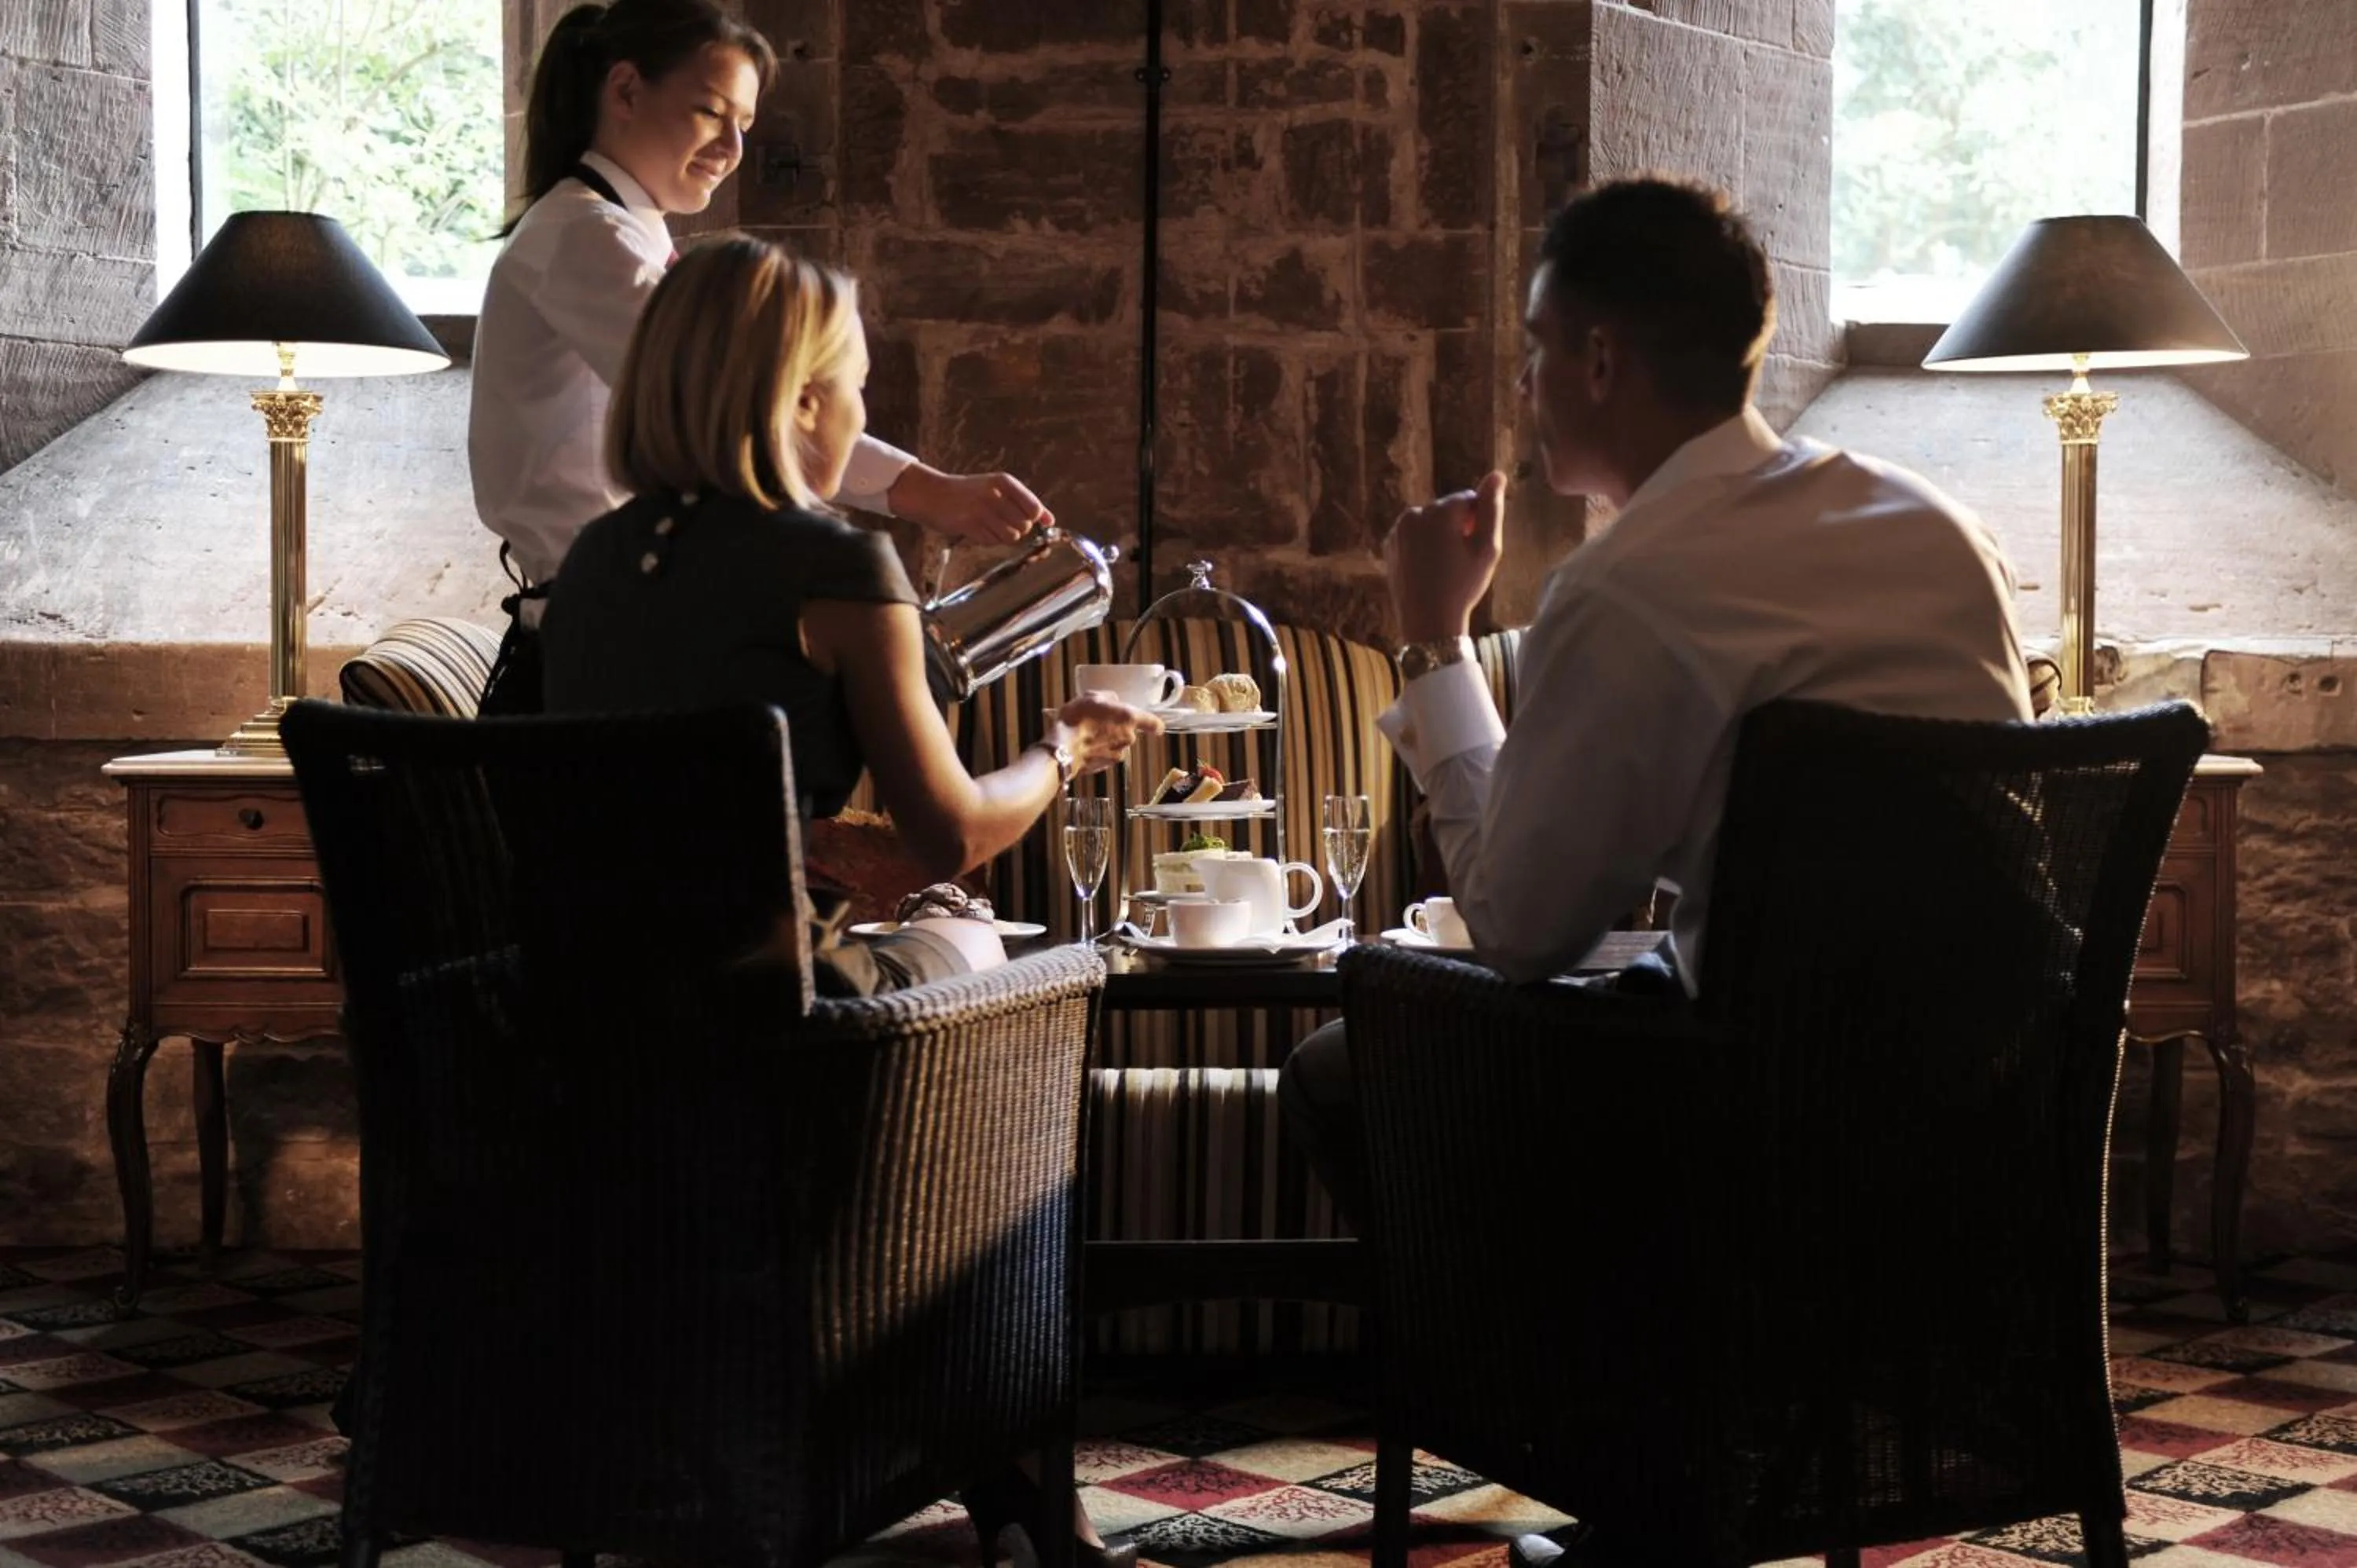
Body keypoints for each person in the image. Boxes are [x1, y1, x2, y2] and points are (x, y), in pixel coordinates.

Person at [540, 233, 1147, 1568]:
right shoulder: (834, 562)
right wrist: (1066, 751)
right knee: (990, 956)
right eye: (855, 386)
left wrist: (801, 836)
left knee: (925, 952)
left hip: (598, 1055)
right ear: (799, 397)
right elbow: (948, 833)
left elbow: (642, 797)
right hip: (775, 1049)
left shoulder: (586, 570)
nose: (865, 418)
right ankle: (1017, 1474)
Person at [1281, 175, 2033, 1240]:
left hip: (1749, 1107)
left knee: (1342, 1072)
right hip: (1980, 1093)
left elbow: (1522, 932)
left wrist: (1434, 641)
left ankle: (1564, 1393)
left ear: (1598, 362)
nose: (1524, 383)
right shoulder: (1942, 529)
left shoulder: (1630, 584)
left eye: (1537, 348)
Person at [472, 0, 1051, 714]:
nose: (732, 149)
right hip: (606, 657)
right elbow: (739, 407)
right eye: (712, 113)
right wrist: (926, 491)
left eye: (743, 125)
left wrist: (929, 490)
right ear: (625, 91)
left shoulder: (622, 233)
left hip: (622, 631)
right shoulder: (582, 238)